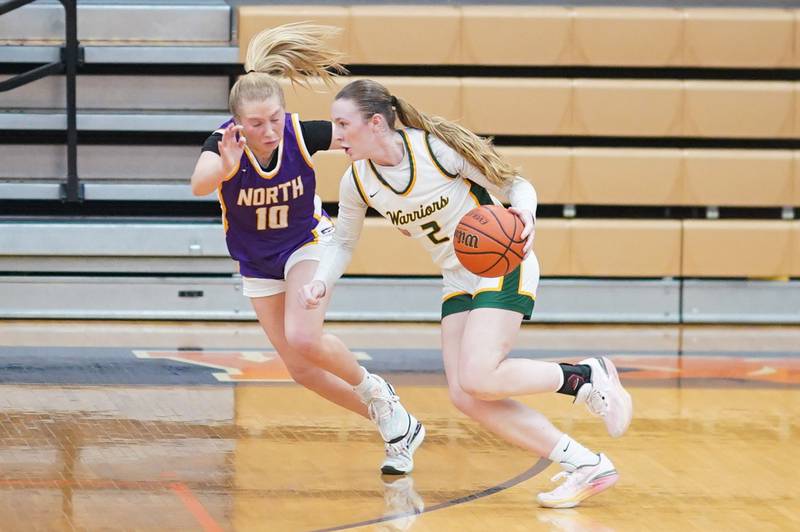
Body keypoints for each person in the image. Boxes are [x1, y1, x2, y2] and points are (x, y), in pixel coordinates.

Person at [299, 79, 633, 508]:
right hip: (457, 277)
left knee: (478, 375)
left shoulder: (436, 151)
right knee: (465, 393)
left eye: (343, 124)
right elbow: (343, 242)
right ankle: (585, 463)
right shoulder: (358, 181)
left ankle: (586, 378)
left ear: (376, 123)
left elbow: (516, 185)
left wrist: (523, 214)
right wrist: (322, 280)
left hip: (502, 262)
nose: (336, 134)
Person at [190, 25, 424, 475]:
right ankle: (398, 426)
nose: (270, 129)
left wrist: (404, 200)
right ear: (238, 122)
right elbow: (198, 184)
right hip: (257, 262)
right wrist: (226, 166)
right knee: (301, 369)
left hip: (307, 244)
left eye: (275, 118)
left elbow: (365, 144)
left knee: (303, 335)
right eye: (257, 123)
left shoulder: (301, 132)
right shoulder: (223, 144)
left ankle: (377, 390)